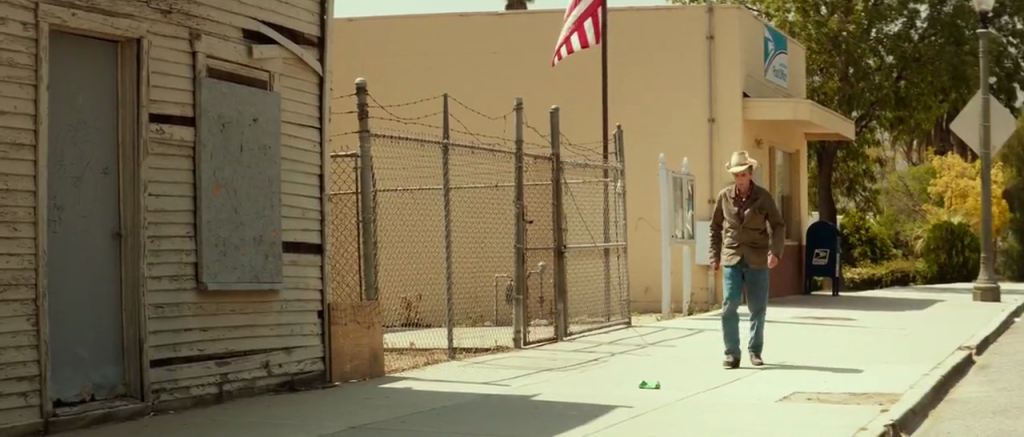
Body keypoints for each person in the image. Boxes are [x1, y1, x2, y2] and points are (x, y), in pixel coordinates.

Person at [709, 151, 786, 369]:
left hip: (758, 258)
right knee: (729, 305)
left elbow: (778, 225)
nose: (740, 179)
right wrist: (714, 255)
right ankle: (732, 353)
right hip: (732, 256)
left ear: (750, 174)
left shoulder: (763, 197)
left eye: (743, 174)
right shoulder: (724, 196)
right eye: (736, 175)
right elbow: (715, 227)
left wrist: (775, 252)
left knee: (757, 307)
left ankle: (755, 350)